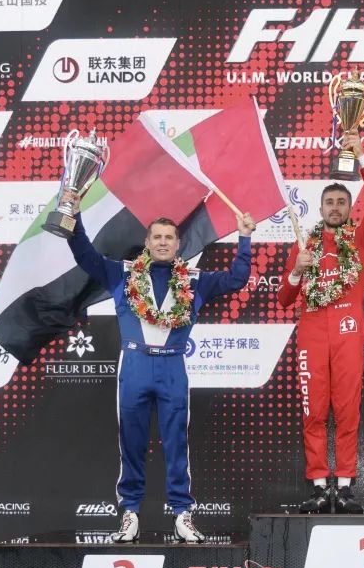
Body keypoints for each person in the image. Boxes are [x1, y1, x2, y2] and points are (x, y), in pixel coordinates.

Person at [63, 188, 255, 542]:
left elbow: (236, 278)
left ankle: (182, 514)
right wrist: (73, 216)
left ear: (178, 244)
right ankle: (130, 513)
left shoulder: (195, 280)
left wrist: (244, 238)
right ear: (147, 243)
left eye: (169, 237)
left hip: (172, 369)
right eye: (157, 237)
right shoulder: (122, 274)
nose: (163, 242)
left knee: (176, 444)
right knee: (131, 443)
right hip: (134, 366)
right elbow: (85, 255)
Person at [277, 131, 364, 514]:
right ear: (321, 207)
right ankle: (318, 486)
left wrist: (362, 157)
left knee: (347, 410)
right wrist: (296, 271)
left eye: (342, 202)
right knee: (313, 411)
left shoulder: (361, 239)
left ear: (349, 207)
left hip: (347, 335)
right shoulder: (304, 244)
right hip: (311, 336)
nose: (336, 207)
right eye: (330, 202)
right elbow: (284, 298)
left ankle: (344, 487)